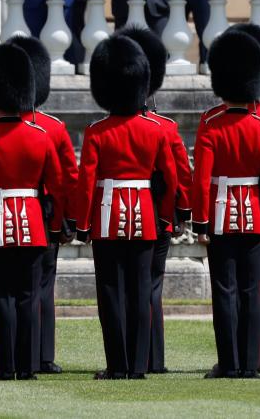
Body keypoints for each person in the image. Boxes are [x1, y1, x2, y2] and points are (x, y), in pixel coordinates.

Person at [0, 35, 79, 375]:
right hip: (34, 223)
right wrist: (57, 223)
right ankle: (30, 364)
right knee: (30, 295)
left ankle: (6, 366)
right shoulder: (41, 135)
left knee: (2, 297)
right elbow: (60, 183)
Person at [197, 23, 260, 374]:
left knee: (224, 290)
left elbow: (202, 179)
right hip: (256, 214)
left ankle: (229, 362)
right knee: (252, 289)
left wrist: (201, 221)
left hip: (221, 216)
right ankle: (252, 362)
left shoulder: (210, 123)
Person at [77, 33, 178, 380]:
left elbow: (86, 182)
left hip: (106, 218)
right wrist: (165, 214)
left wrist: (83, 222)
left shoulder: (97, 131)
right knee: (140, 291)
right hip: (146, 217)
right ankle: (138, 365)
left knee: (111, 293)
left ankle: (117, 365)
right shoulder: (156, 130)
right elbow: (172, 179)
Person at [112, 25, 193, 374]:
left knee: (127, 288)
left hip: (129, 214)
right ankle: (151, 358)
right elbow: (181, 176)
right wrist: (178, 214)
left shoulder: (108, 128)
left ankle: (133, 358)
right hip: (157, 215)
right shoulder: (165, 127)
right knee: (150, 288)